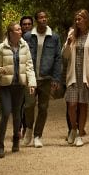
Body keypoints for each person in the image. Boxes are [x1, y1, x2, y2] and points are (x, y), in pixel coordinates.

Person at [0, 19, 35, 158]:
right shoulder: (1, 47)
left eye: (20, 30)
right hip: (5, 86)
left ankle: (16, 140)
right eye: (17, 30)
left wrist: (32, 83)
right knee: (5, 113)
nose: (20, 31)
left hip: (19, 86)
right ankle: (1, 144)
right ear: (10, 33)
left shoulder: (24, 46)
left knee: (17, 115)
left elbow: (29, 66)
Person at [60, 8, 89, 146]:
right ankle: (73, 128)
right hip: (73, 76)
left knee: (83, 105)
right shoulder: (72, 34)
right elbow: (65, 55)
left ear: (86, 19)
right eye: (76, 19)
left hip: (86, 76)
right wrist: (68, 41)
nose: (77, 21)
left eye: (80, 19)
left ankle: (79, 133)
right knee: (72, 105)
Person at [27, 9, 63, 148]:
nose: (44, 19)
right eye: (41, 17)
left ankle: (37, 136)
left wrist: (56, 78)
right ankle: (29, 128)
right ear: (37, 20)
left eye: (45, 17)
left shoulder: (54, 37)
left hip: (46, 78)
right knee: (29, 105)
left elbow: (57, 58)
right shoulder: (28, 36)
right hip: (31, 78)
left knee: (43, 108)